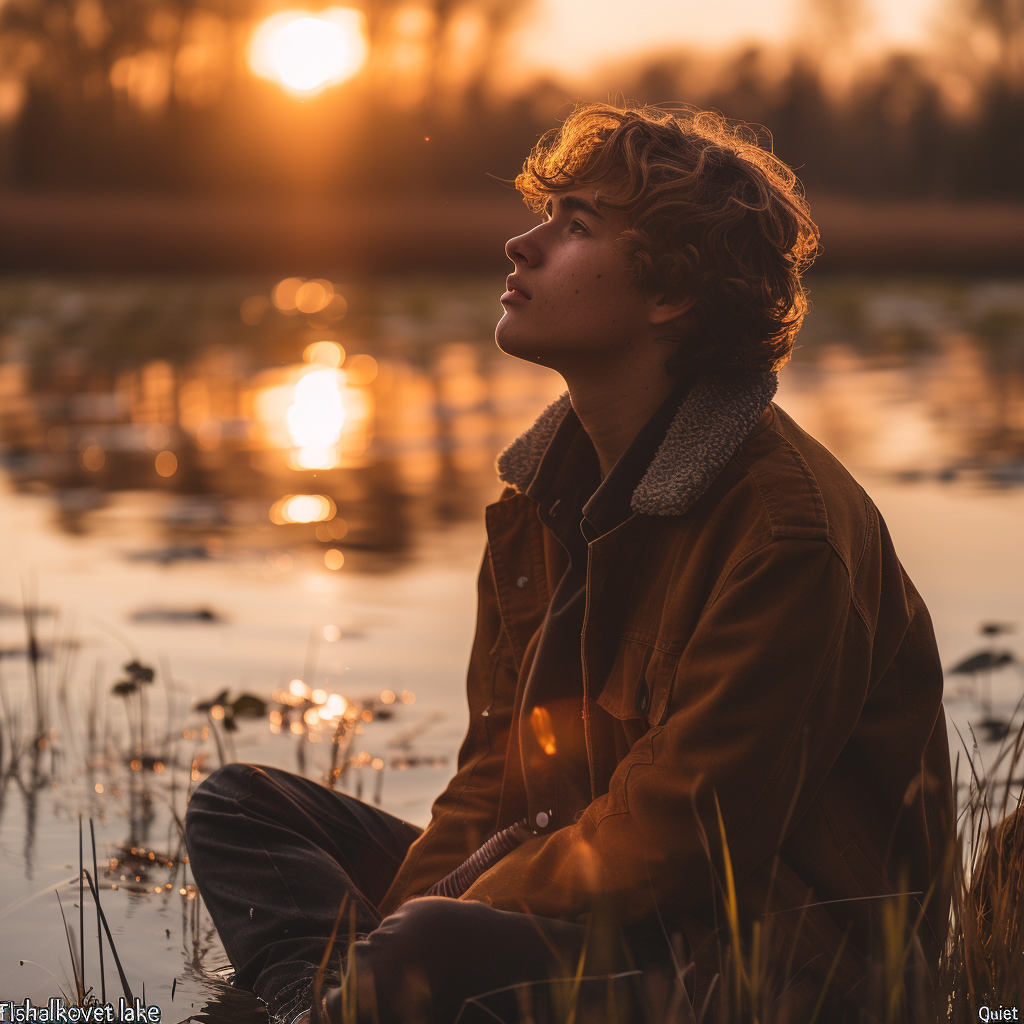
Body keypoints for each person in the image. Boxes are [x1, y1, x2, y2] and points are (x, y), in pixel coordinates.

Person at [185, 102, 955, 1024]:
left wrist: (436, 926)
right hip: (588, 898)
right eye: (544, 216)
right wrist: (413, 917)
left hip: (756, 963)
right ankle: (330, 1007)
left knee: (425, 949)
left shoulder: (786, 535)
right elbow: (491, 780)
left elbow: (679, 845)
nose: (521, 244)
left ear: (672, 291)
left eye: (574, 225)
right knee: (245, 809)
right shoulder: (537, 500)